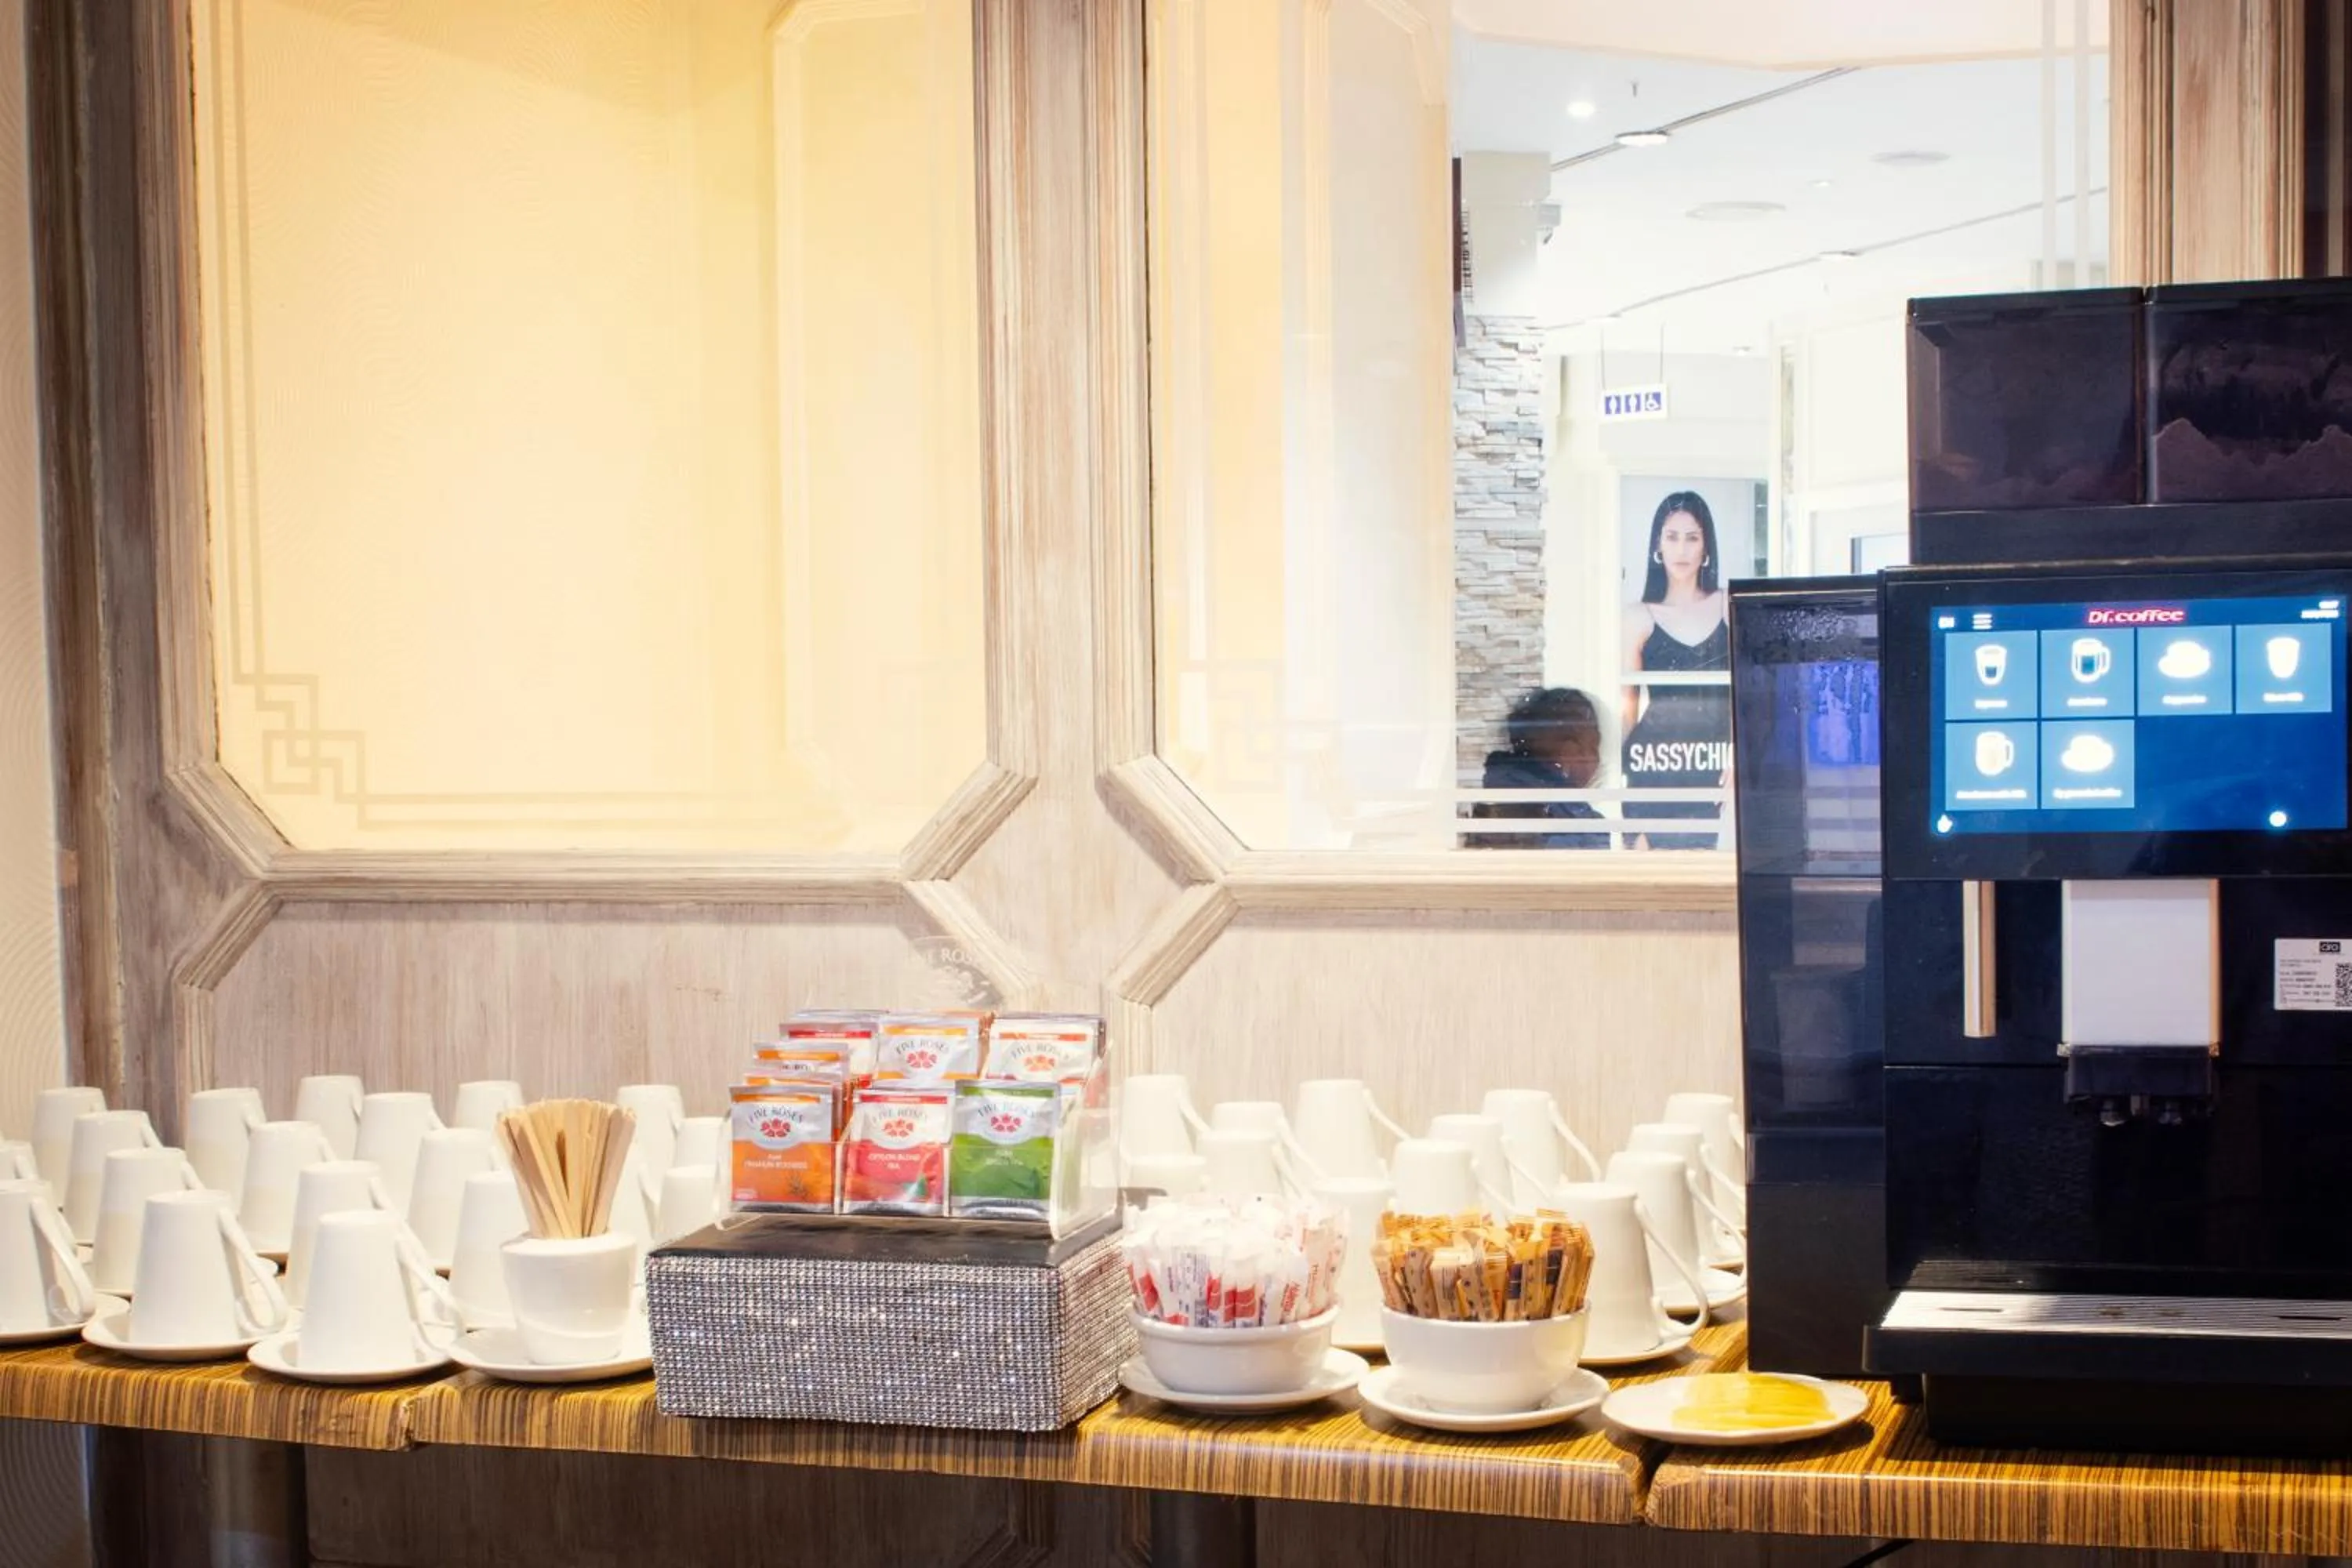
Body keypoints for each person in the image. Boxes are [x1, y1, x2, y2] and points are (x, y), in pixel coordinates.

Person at [1621, 492, 1732, 850]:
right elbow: (1628, 709)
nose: (1682, 550)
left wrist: (1739, 757)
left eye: (1692, 537)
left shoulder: (1729, 607)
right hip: (1654, 763)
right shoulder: (1639, 617)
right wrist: (1625, 778)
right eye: (1672, 537)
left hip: (1714, 762)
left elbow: (1747, 696)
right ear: (1658, 545)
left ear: (1706, 546)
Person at [1466, 687, 1610, 849]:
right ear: (1569, 751)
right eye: (1592, 747)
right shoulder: (1558, 816)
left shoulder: (1501, 794)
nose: (1597, 760)